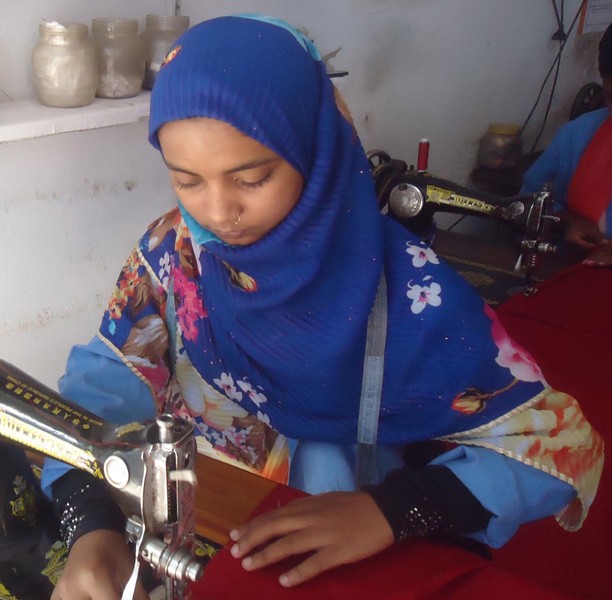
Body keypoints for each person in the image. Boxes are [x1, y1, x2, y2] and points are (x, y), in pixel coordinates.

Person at [42, 15, 605, 600]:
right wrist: (90, 527)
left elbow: (564, 447)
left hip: (336, 541)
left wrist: (394, 510)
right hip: (210, 512)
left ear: (317, 150)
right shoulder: (173, 255)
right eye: (186, 180)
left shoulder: (409, 292)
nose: (216, 212)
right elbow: (102, 384)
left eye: (251, 178)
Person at [521, 22, 612, 267]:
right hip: (572, 274)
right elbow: (529, 196)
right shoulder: (579, 133)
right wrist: (566, 220)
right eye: (610, 96)